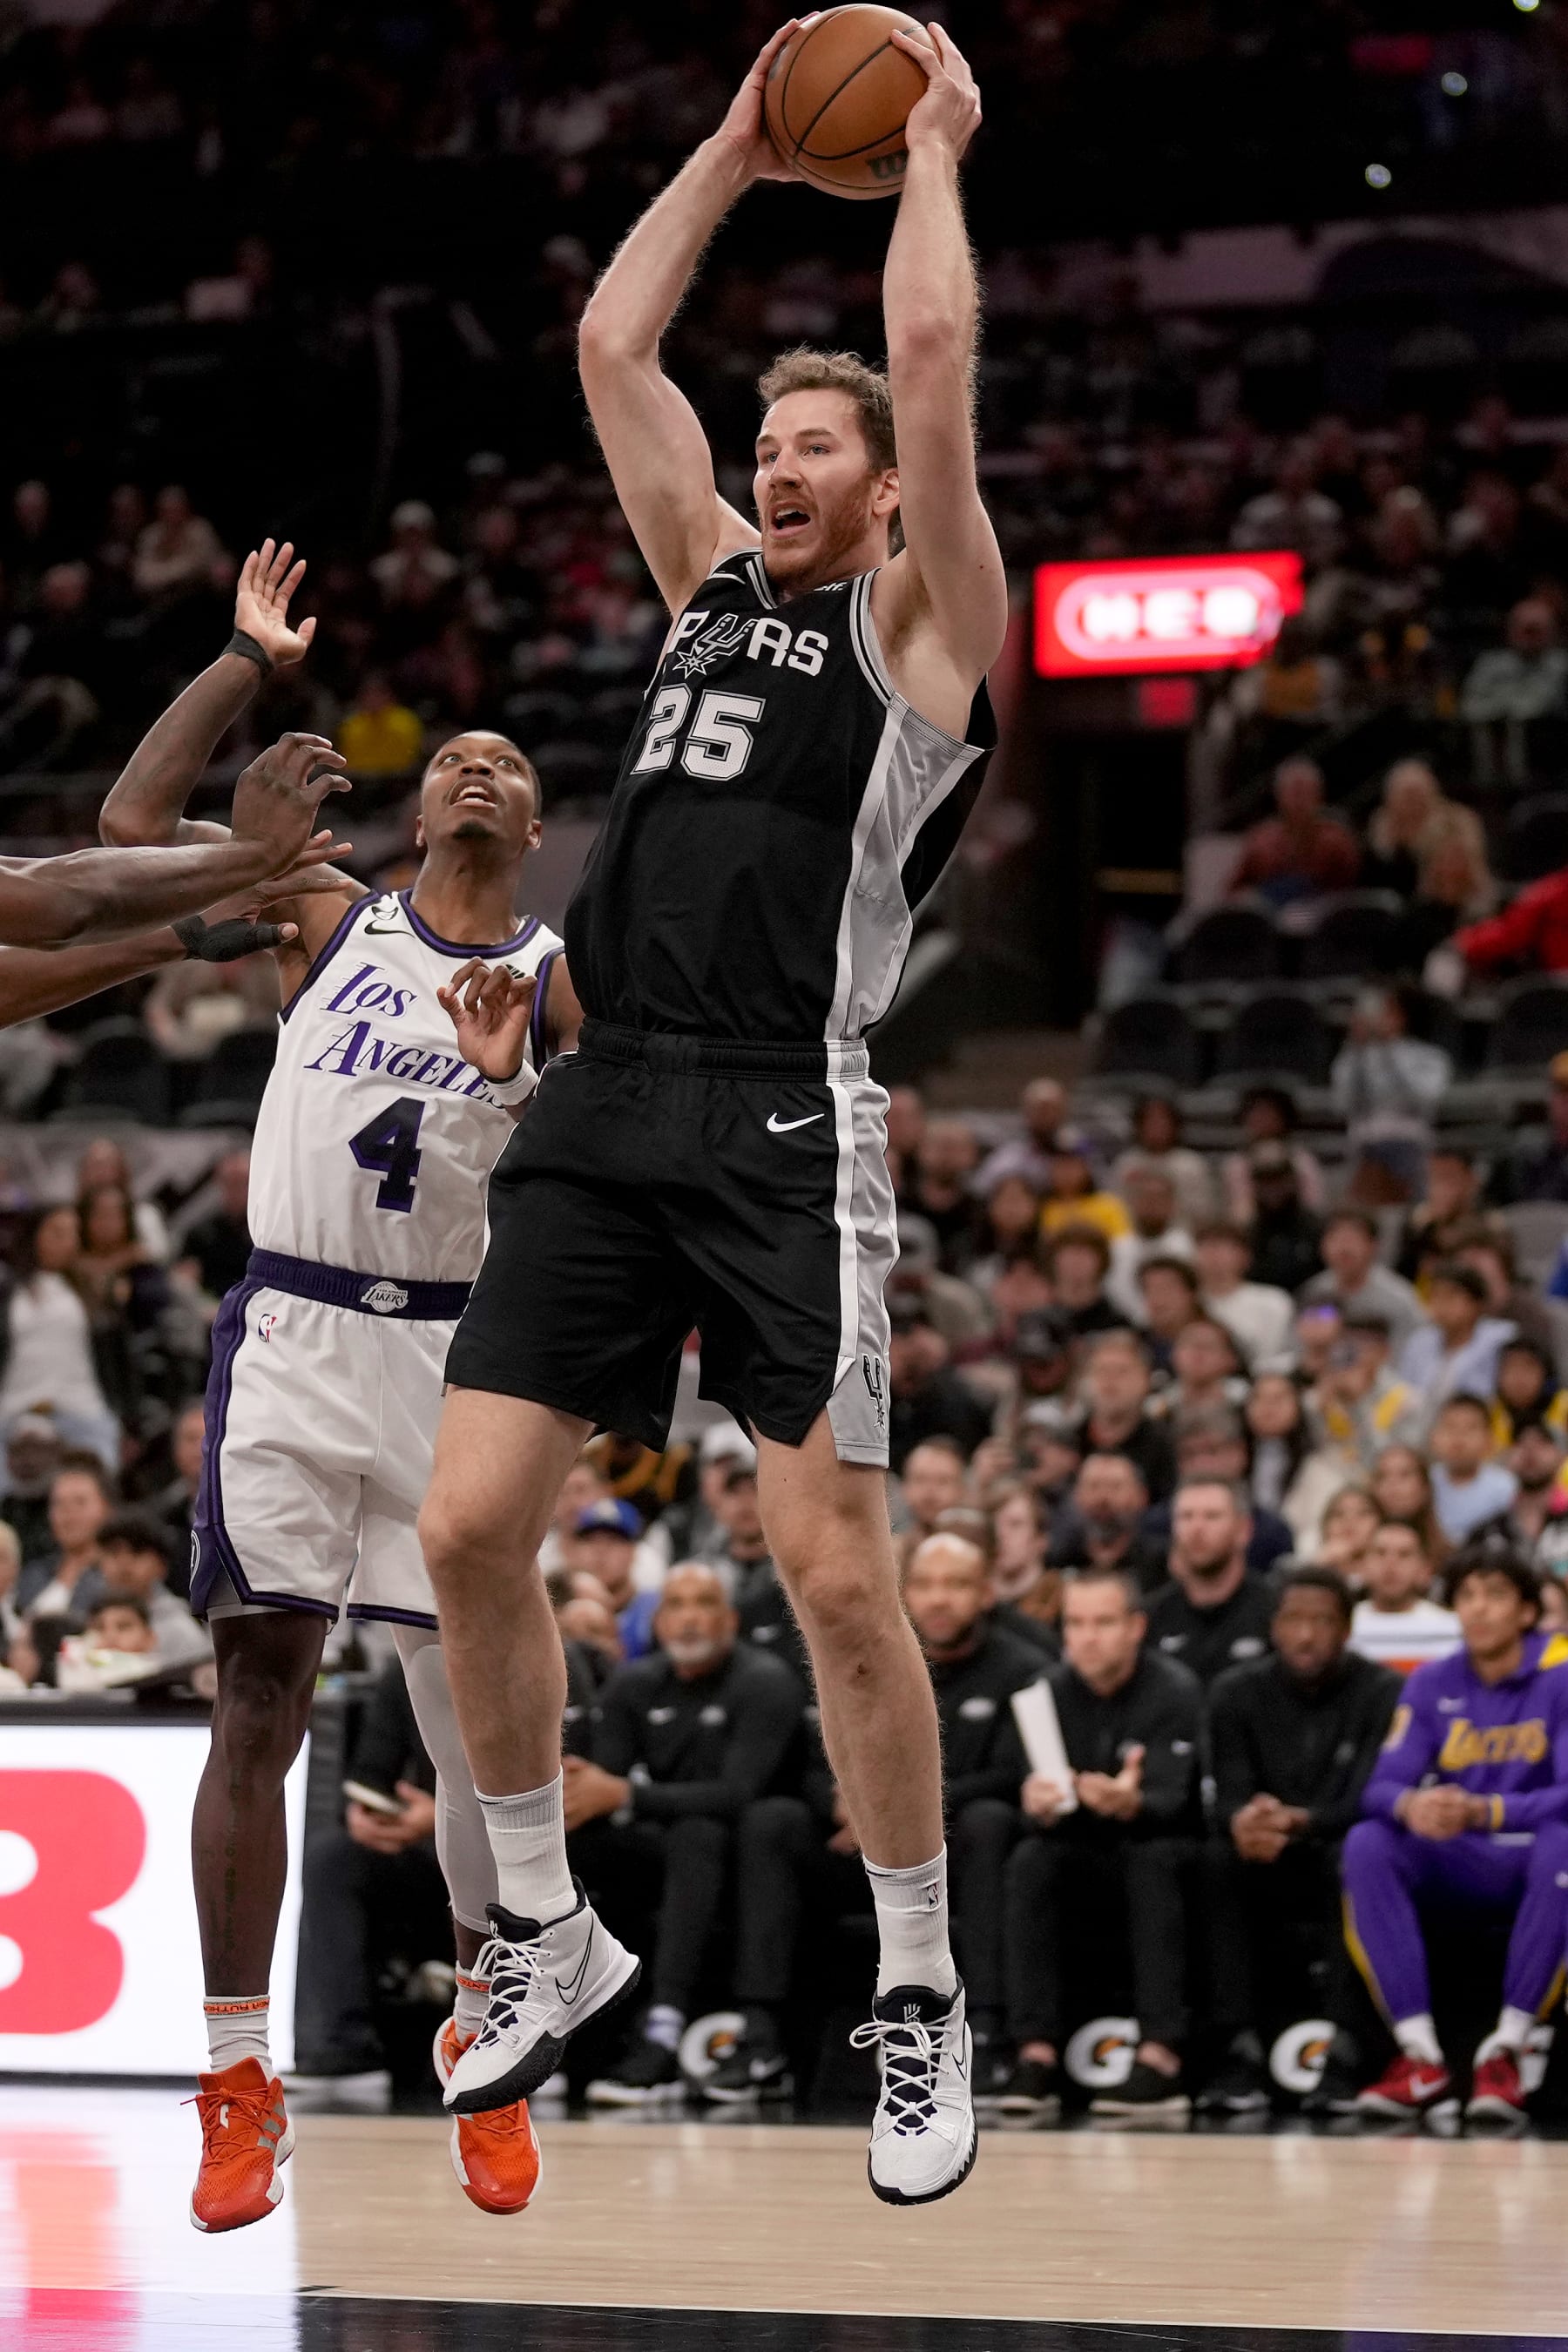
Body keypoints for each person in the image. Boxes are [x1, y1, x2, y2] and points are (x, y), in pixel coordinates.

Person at [418, 18, 1004, 2209]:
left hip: (781, 1114)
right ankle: (544, 1928)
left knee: (832, 1573)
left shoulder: (924, 623)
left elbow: (934, 363)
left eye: (810, 444)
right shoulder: (700, 600)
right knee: (469, 1528)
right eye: (761, 438)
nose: (772, 463)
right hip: (606, 1087)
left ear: (875, 491)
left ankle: (922, 1988)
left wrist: (924, 143)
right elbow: (608, 336)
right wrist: (743, 148)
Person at [98, 537, 571, 2229]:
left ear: (531, 831)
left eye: (505, 765)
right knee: (259, 1700)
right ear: (421, 803)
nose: (471, 765)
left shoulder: (555, 977)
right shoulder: (327, 915)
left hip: (454, 1359)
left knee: (469, 1738)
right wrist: (241, 666)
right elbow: (132, 841)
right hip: (293, 1337)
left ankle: (486, 2035)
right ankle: (237, 2081)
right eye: (453, 754)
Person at [1343, 1543, 1568, 2126]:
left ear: (1526, 1611)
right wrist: (1414, 1804)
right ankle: (1420, 2056)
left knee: (1564, 1841)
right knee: (1369, 1841)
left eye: (1495, 1595)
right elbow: (1379, 1786)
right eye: (1467, 1596)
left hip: (1533, 1856)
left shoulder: (1560, 1674)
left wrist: (1485, 1811)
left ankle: (1508, 2050)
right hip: (1463, 1857)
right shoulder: (1430, 1682)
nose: (1479, 1609)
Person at [571, 1565, 803, 2105]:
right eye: (676, 1605)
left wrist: (629, 1796)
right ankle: (549, 2020)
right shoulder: (635, 1684)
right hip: (666, 1845)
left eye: (704, 1604)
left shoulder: (764, 1681)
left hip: (755, 1851)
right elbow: (602, 1781)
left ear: (730, 1619)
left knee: (702, 1832)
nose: (690, 1618)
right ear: (658, 1621)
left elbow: (740, 1794)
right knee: (570, 1843)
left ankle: (664, 2029)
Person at [997, 1565, 1203, 2119]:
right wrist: (1038, 1803)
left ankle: (1161, 2056)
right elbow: (1036, 1790)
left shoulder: (1174, 1690)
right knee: (1030, 1859)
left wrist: (1132, 1801)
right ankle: (1034, 2051)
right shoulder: (1045, 1694)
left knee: (1153, 1860)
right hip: (1081, 1847)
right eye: (1076, 1623)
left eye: (1103, 1622)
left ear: (1136, 1626)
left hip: (1162, 1849)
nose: (1087, 1637)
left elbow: (1177, 1803)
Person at [1200, 1569, 1400, 2113]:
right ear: (1273, 1627)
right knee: (1216, 1859)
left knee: (1358, 1855)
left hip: (1331, 1844)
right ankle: (1235, 2049)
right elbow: (1226, 1793)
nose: (1307, 1635)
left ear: (1347, 1628)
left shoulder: (1383, 1691)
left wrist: (1299, 1822)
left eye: (1322, 1621)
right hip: (1264, 1853)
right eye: (1294, 1620)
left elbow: (1369, 1795)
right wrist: (1246, 1819)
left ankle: (1346, 2048)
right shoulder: (1234, 1691)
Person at [290, 1657, 446, 2107]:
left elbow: (560, 1783)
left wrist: (446, 1816)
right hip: (425, 1848)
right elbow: (371, 1772)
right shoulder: (410, 1667)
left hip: (508, 1846)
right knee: (331, 1858)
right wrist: (363, 1813)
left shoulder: (535, 1658)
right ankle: (344, 2045)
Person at [0, 1205, 121, 1469]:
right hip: (13, 1413)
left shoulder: (92, 1289)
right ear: (34, 1236)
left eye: (74, 1234)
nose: (68, 1242)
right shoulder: (9, 1290)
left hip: (83, 1410)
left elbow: (116, 1356)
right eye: (57, 1232)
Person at [1144, 1478, 1277, 1686]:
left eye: (1212, 1516)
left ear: (1244, 1530)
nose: (1197, 1528)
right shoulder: (1151, 1617)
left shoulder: (1275, 1610)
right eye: (1186, 1517)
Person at [1331, 988, 1450, 1205]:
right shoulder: (1353, 1057)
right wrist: (1356, 1049)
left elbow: (1427, 1098)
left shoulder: (1428, 1056)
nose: (1378, 1020)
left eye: (1386, 1013)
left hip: (1410, 1140)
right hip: (1365, 1144)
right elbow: (1343, 1102)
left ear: (1400, 1017)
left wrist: (1388, 1053)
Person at [1398, 1263, 1516, 1429]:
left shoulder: (1502, 1340)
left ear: (1476, 1303)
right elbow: (1402, 1393)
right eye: (1435, 1296)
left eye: (1450, 1297)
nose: (1441, 1305)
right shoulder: (1419, 1342)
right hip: (1423, 1430)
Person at [93, 1508, 211, 1675]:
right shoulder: (90, 1620)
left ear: (162, 1566)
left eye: (137, 1552)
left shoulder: (180, 1630)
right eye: (114, 1552)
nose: (124, 1564)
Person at [1228, 757, 1360, 906]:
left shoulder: (1337, 841)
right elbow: (1234, 892)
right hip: (1270, 918)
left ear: (1319, 796)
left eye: (1306, 792)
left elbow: (1354, 893)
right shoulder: (1260, 840)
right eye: (1294, 792)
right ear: (1279, 796)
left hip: (1323, 918)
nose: (1299, 801)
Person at [1301, 1210, 1424, 1356]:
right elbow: (1299, 1350)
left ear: (1373, 1245)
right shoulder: (1314, 1292)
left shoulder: (1399, 1298)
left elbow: (1412, 1354)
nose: (1343, 1249)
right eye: (1336, 1239)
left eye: (1352, 1240)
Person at [1075, 1329, 1177, 1504]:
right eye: (1102, 1371)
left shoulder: (1165, 1446)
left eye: (1121, 1371)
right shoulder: (1070, 1443)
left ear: (1145, 1380)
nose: (1110, 1381)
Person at [1349, 1520, 1462, 1676]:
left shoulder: (1451, 1629)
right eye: (1380, 1553)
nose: (1390, 1564)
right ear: (1362, 1566)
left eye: (1404, 1554)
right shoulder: (1345, 1628)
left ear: (1425, 1570)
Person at [17, 1452, 114, 1618]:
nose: (68, 1514)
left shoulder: (117, 1577)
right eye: (59, 1504)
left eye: (80, 1502)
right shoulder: (33, 1574)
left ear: (107, 1509)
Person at [1195, 1222, 1293, 1369]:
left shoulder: (1273, 1302)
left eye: (1222, 1248)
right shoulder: (1187, 1303)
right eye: (1206, 1248)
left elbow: (1281, 1355)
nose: (1213, 1256)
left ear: (1245, 1257)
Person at [1111, 1095, 1213, 1233]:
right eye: (1150, 1121)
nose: (1157, 1127)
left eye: (1163, 1121)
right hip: (1134, 1238)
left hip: (1185, 1237)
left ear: (1175, 1125)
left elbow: (1204, 1213)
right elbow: (1116, 1209)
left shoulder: (1192, 1165)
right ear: (1138, 1126)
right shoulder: (1126, 1164)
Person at [1429, 1395, 1520, 1544]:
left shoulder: (1506, 1487)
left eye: (1470, 1428)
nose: (1458, 1438)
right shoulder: (1424, 1483)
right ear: (1434, 1437)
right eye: (1450, 1427)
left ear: (1489, 1440)